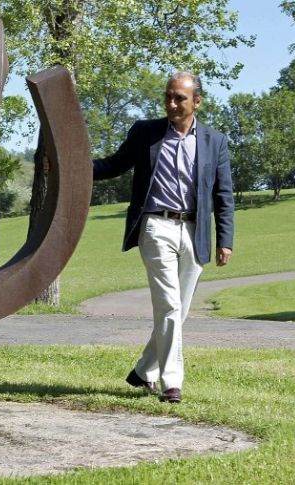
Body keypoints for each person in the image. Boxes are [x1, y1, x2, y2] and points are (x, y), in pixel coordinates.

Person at [92, 72, 234, 403]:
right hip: (156, 226)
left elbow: (223, 194)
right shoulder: (146, 132)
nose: (171, 103)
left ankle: (144, 371)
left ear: (197, 102)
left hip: (195, 231)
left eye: (179, 98)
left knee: (179, 310)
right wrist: (72, 166)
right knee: (169, 304)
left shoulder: (215, 141)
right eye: (168, 96)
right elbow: (115, 164)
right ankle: (172, 382)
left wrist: (225, 240)